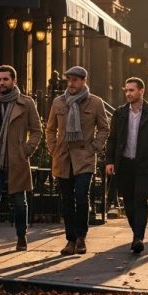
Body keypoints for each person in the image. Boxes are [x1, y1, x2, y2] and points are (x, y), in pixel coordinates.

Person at [0, 65, 43, 257]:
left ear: (14, 81)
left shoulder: (26, 103)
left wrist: (26, 151)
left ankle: (21, 236)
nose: (2, 83)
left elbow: (37, 130)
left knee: (19, 202)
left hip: (17, 159)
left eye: (5, 79)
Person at [46, 65, 109, 256]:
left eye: (75, 80)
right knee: (66, 200)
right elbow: (50, 129)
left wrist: (94, 148)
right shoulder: (59, 102)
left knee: (81, 196)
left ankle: (81, 236)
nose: (71, 83)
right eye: (69, 80)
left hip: (84, 157)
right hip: (63, 157)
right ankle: (70, 240)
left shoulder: (95, 103)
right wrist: (53, 149)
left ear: (83, 81)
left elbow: (104, 129)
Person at [105, 77, 148, 254]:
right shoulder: (119, 113)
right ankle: (136, 233)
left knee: (140, 200)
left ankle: (138, 237)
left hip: (144, 165)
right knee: (129, 202)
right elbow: (112, 139)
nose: (128, 93)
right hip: (124, 164)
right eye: (126, 90)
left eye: (132, 90)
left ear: (141, 91)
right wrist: (110, 161)